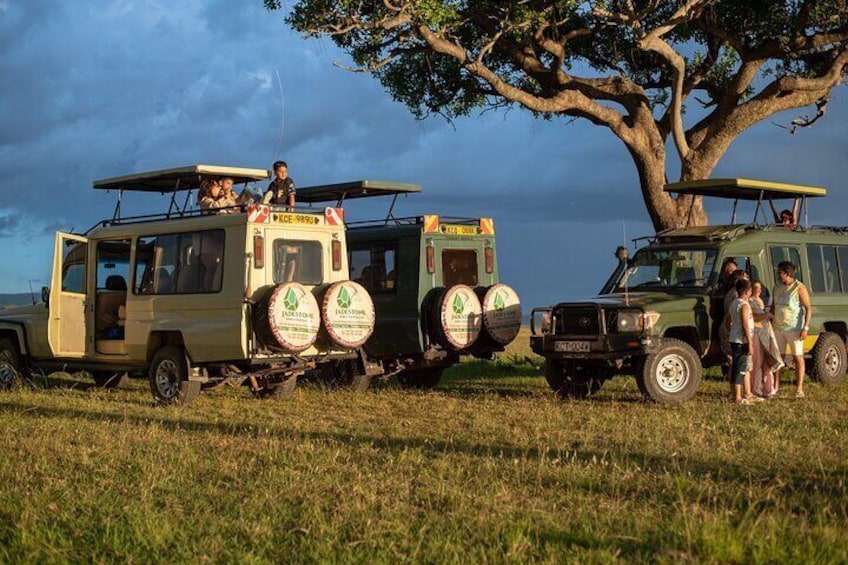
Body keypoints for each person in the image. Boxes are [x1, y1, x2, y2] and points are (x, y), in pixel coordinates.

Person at [771, 261, 812, 397]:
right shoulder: (776, 287)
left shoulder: (799, 287)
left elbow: (808, 308)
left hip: (794, 328)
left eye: (780, 273)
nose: (778, 275)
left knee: (797, 357)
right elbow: (773, 306)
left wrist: (805, 327)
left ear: (787, 273)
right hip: (778, 328)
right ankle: (776, 386)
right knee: (779, 357)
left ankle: (799, 388)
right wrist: (770, 321)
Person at [750, 281, 784, 397]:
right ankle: (756, 388)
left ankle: (769, 388)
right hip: (757, 333)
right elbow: (753, 318)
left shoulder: (759, 301)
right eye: (756, 288)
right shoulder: (750, 301)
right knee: (757, 361)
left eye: (760, 288)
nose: (759, 290)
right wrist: (766, 316)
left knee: (768, 360)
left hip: (766, 333)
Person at [728, 278, 758, 404]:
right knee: (741, 368)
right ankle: (738, 397)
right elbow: (745, 324)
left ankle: (735, 394)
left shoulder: (734, 303)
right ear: (748, 291)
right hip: (742, 341)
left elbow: (727, 321)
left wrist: (732, 330)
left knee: (735, 366)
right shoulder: (744, 305)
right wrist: (750, 343)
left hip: (734, 338)